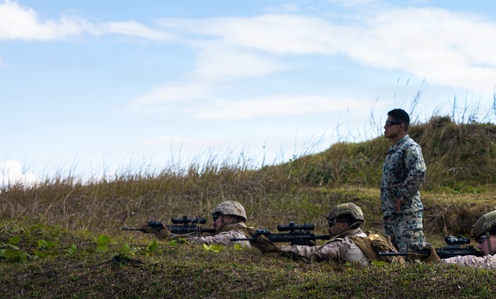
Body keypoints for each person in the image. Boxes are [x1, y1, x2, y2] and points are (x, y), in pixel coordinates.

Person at [252, 203, 400, 265]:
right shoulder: (367, 237)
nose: (329, 228)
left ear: (343, 225)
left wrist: (277, 248)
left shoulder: (345, 244)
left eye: (332, 223)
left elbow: (312, 253)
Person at [380, 109, 427, 255]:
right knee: (393, 258)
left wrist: (402, 196)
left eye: (389, 123)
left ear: (401, 126)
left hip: (407, 215)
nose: (385, 127)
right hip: (392, 214)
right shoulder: (394, 150)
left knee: (411, 256)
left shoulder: (409, 147)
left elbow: (419, 171)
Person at [142, 200, 252, 247]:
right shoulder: (243, 234)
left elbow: (202, 243)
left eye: (215, 217)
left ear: (227, 217)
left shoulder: (234, 236)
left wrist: (170, 236)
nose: (213, 223)